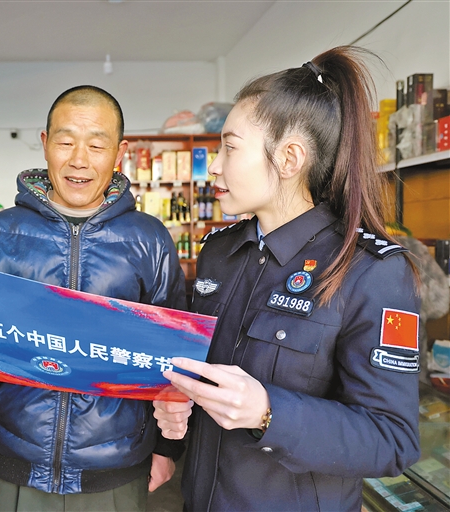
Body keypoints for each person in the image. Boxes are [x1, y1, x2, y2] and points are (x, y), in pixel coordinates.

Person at [153, 46, 421, 511]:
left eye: (230, 147)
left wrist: (268, 413)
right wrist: (178, 404)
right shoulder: (219, 253)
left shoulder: (370, 271)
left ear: (290, 158)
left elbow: (392, 438)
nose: (213, 165)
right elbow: (203, 374)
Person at [0, 85, 188, 511]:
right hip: (11, 466)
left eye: (96, 145)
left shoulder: (149, 240)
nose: (79, 159)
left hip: (115, 470)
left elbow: (174, 358)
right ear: (45, 145)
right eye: (66, 142)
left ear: (119, 153)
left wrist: (167, 448)